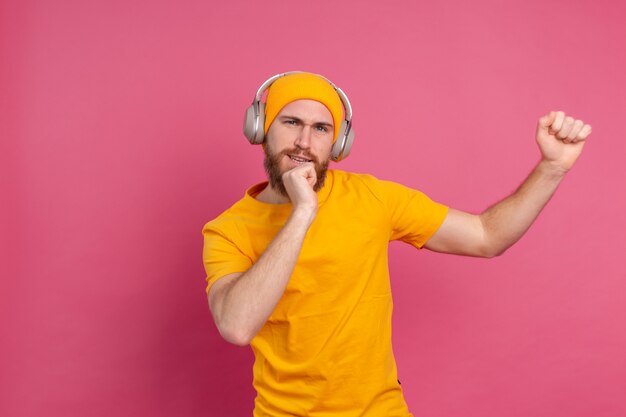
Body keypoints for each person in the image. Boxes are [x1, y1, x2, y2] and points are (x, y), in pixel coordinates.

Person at [202, 72, 592, 416]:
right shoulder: (228, 230)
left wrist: (552, 168)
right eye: (291, 122)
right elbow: (236, 326)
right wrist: (303, 212)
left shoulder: (374, 198)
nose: (304, 141)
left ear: (338, 143)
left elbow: (486, 237)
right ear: (260, 128)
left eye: (321, 128)